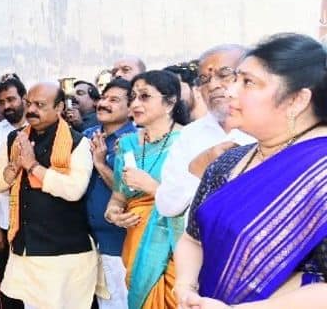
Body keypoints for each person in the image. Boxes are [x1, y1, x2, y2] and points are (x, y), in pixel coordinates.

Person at [175, 33, 327, 308]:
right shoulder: (228, 163)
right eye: (236, 78)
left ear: (297, 100)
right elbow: (192, 238)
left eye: (248, 82)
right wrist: (185, 287)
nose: (229, 90)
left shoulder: (320, 171)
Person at [0, 82, 97, 309]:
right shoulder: (15, 139)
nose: (31, 110)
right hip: (26, 249)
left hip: (64, 252)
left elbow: (74, 190)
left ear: (58, 108)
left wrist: (33, 166)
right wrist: (13, 169)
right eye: (29, 103)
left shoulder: (78, 143)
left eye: (40, 105)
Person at [104, 71, 189, 309]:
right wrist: (113, 213)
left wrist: (152, 187)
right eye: (133, 97)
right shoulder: (128, 144)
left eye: (145, 96)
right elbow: (119, 195)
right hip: (137, 243)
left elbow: (197, 199)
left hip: (176, 247)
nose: (136, 103)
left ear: (170, 102)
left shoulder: (187, 141)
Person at [155, 45, 254, 220]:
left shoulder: (267, 128)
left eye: (224, 75)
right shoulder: (190, 135)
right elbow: (166, 206)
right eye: (204, 79)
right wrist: (200, 170)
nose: (213, 85)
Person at [83, 78, 136, 309]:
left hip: (118, 242)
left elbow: (130, 190)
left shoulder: (134, 141)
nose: (104, 103)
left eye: (114, 100)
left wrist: (100, 163)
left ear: (131, 108)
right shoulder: (87, 135)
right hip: (88, 242)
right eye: (103, 97)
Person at [0, 73, 27, 309]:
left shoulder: (42, 128)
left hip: (39, 225)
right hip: (7, 223)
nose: (7, 106)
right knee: (11, 289)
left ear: (24, 98)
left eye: (11, 99)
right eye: (2, 102)